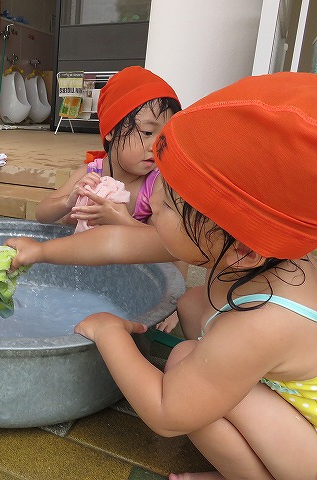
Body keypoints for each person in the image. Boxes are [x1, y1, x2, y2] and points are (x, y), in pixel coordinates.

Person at [75, 73, 317, 479]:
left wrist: (108, 332)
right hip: (297, 412)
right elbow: (118, 244)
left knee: (191, 386)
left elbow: (166, 413)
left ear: (242, 249)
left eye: (170, 203)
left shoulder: (264, 322)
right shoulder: (265, 252)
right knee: (192, 314)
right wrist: (38, 252)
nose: (153, 204)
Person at [35, 66, 181, 229]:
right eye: (147, 132)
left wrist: (121, 220)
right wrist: (68, 201)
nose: (156, 147)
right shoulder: (90, 173)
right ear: (111, 131)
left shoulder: (156, 185)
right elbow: (42, 214)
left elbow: (163, 239)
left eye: (164, 138)